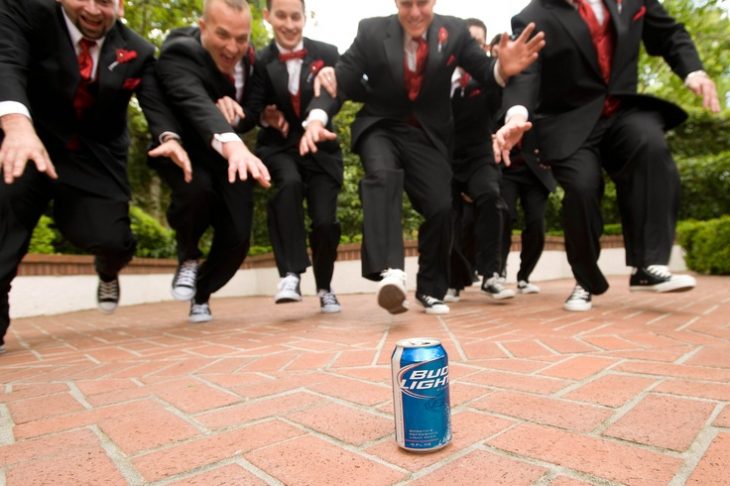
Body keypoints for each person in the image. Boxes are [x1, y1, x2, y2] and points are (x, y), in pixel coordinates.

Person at [301, 0, 544, 315]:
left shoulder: (455, 30)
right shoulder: (371, 30)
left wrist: (501, 69)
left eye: (422, 3)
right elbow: (342, 80)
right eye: (406, 3)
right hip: (381, 126)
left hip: (427, 136)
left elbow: (486, 72)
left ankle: (430, 289)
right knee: (382, 175)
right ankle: (392, 271)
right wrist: (317, 118)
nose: (415, 12)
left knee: (441, 208)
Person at [496, 0, 720, 311]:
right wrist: (516, 115)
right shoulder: (534, 15)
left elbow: (669, 34)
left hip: (622, 113)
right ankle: (584, 281)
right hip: (571, 123)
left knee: (650, 144)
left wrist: (692, 70)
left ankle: (648, 266)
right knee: (582, 189)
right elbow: (525, 72)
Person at [0, 0, 190, 353]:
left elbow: (155, 103)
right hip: (28, 139)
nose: (92, 9)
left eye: (104, 1)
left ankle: (107, 272)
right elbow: (5, 60)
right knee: (5, 222)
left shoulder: (139, 49)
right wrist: (15, 124)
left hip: (95, 157)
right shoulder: (23, 12)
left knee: (113, 241)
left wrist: (169, 138)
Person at [155, 0, 271, 323]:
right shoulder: (180, 50)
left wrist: (237, 112)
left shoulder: (254, 63)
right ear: (203, 27)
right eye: (223, 36)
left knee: (238, 237)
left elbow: (251, 113)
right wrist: (219, 119)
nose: (233, 47)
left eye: (242, 38)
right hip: (192, 151)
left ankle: (201, 293)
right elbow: (191, 100)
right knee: (197, 193)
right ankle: (188, 256)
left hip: (235, 161)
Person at [243, 0, 343, 313]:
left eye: (295, 17)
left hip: (320, 147)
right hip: (280, 146)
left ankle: (325, 287)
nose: (289, 24)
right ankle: (290, 274)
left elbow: (336, 97)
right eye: (281, 16)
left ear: (304, 17)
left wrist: (318, 117)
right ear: (267, 17)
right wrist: (264, 117)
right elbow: (250, 110)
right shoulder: (258, 60)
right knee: (287, 185)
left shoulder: (327, 52)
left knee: (325, 223)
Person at [446, 17, 514, 304]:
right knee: (446, 214)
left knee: (489, 196)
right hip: (444, 156)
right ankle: (451, 280)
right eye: (465, 42)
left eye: (475, 42)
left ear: (484, 47)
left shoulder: (491, 78)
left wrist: (502, 71)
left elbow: (500, 103)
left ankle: (490, 275)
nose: (469, 47)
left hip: (479, 154)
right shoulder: (440, 74)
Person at [498, 129, 556, 294]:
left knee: (536, 223)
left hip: (537, 172)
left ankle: (524, 276)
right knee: (504, 216)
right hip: (506, 169)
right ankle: (499, 270)